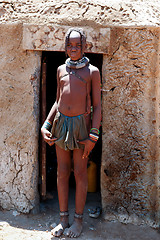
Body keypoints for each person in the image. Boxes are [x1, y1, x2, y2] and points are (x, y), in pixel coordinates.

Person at [41, 27, 101, 238]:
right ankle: (63, 220)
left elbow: (97, 106)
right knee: (62, 172)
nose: (73, 49)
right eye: (69, 45)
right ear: (64, 47)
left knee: (80, 172)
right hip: (61, 125)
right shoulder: (60, 70)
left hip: (81, 127)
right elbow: (58, 101)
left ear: (85, 47)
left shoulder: (92, 72)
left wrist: (93, 136)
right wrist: (46, 125)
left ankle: (78, 221)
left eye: (77, 45)